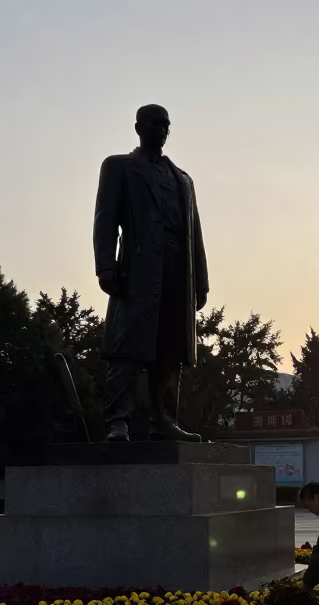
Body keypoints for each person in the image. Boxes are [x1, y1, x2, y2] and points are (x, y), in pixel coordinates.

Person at [92, 103, 209, 443]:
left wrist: (200, 282)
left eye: (166, 124)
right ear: (138, 127)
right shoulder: (119, 167)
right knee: (126, 348)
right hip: (137, 269)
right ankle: (118, 421)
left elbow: (196, 233)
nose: (162, 130)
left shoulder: (183, 180)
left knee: (172, 349)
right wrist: (105, 266)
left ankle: (164, 420)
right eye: (155, 123)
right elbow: (105, 219)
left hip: (178, 270)